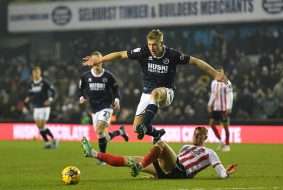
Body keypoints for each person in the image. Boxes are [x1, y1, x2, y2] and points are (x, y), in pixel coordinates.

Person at [82, 29, 225, 144]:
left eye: (155, 44)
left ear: (162, 43)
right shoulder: (143, 52)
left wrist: (215, 74)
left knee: (156, 93)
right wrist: (100, 59)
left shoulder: (172, 55)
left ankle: (146, 125)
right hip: (146, 94)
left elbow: (196, 61)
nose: (152, 48)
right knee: (136, 129)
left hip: (166, 93)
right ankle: (157, 133)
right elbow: (120, 54)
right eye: (150, 44)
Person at [81, 127, 237, 179]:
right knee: (130, 160)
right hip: (168, 169)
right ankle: (94, 153)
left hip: (181, 171)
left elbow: (221, 172)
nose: (196, 136)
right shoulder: (185, 147)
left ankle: (142, 163)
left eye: (199, 135)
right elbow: (169, 158)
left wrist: (226, 173)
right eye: (195, 134)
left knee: (160, 143)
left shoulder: (209, 152)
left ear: (205, 137)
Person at [79, 51, 129, 157]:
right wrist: (82, 96)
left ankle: (102, 157)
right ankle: (120, 132)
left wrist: (116, 100)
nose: (97, 64)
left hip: (106, 106)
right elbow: (82, 88)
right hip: (93, 108)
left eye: (99, 61)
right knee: (102, 135)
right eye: (95, 62)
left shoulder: (108, 76)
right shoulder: (85, 76)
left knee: (99, 129)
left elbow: (116, 89)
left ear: (102, 61)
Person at [24, 66, 58, 149]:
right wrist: (28, 97)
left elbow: (53, 91)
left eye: (37, 72)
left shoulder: (44, 82)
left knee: (42, 125)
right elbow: (31, 92)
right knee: (39, 126)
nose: (35, 74)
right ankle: (48, 142)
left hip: (45, 107)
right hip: (36, 107)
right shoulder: (31, 83)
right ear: (32, 74)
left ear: (40, 73)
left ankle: (53, 140)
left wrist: (50, 99)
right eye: (34, 73)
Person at [208, 68, 233, 152]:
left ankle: (227, 144)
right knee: (211, 124)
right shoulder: (214, 83)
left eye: (220, 72)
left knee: (225, 127)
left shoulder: (227, 83)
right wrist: (209, 104)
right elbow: (213, 94)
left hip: (224, 108)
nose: (219, 73)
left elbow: (230, 95)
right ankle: (221, 142)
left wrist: (229, 107)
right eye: (217, 72)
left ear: (223, 73)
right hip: (216, 108)